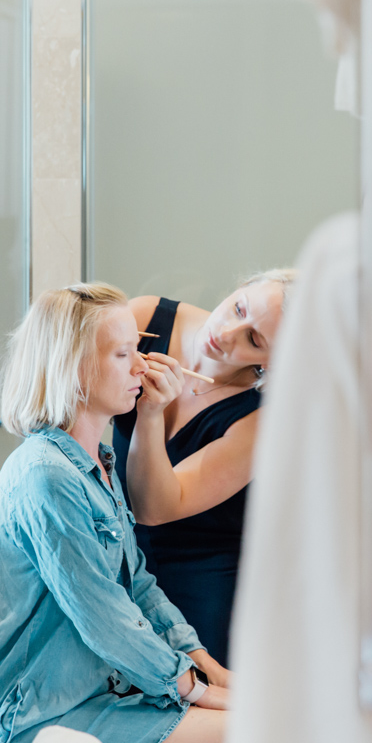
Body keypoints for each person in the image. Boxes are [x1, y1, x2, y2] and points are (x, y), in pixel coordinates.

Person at [0, 283, 228, 743]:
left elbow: (138, 587)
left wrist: (205, 664)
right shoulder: (46, 477)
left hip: (96, 698)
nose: (143, 366)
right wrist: (196, 689)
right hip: (32, 723)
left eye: (139, 350)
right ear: (76, 368)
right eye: (124, 354)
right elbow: (105, 617)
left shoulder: (97, 464)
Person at [113, 270, 295, 668]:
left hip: (201, 572)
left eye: (253, 339)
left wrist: (151, 414)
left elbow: (154, 508)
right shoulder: (145, 319)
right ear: (239, 286)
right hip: (115, 552)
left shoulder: (263, 418)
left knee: (198, 697)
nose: (227, 332)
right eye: (239, 307)